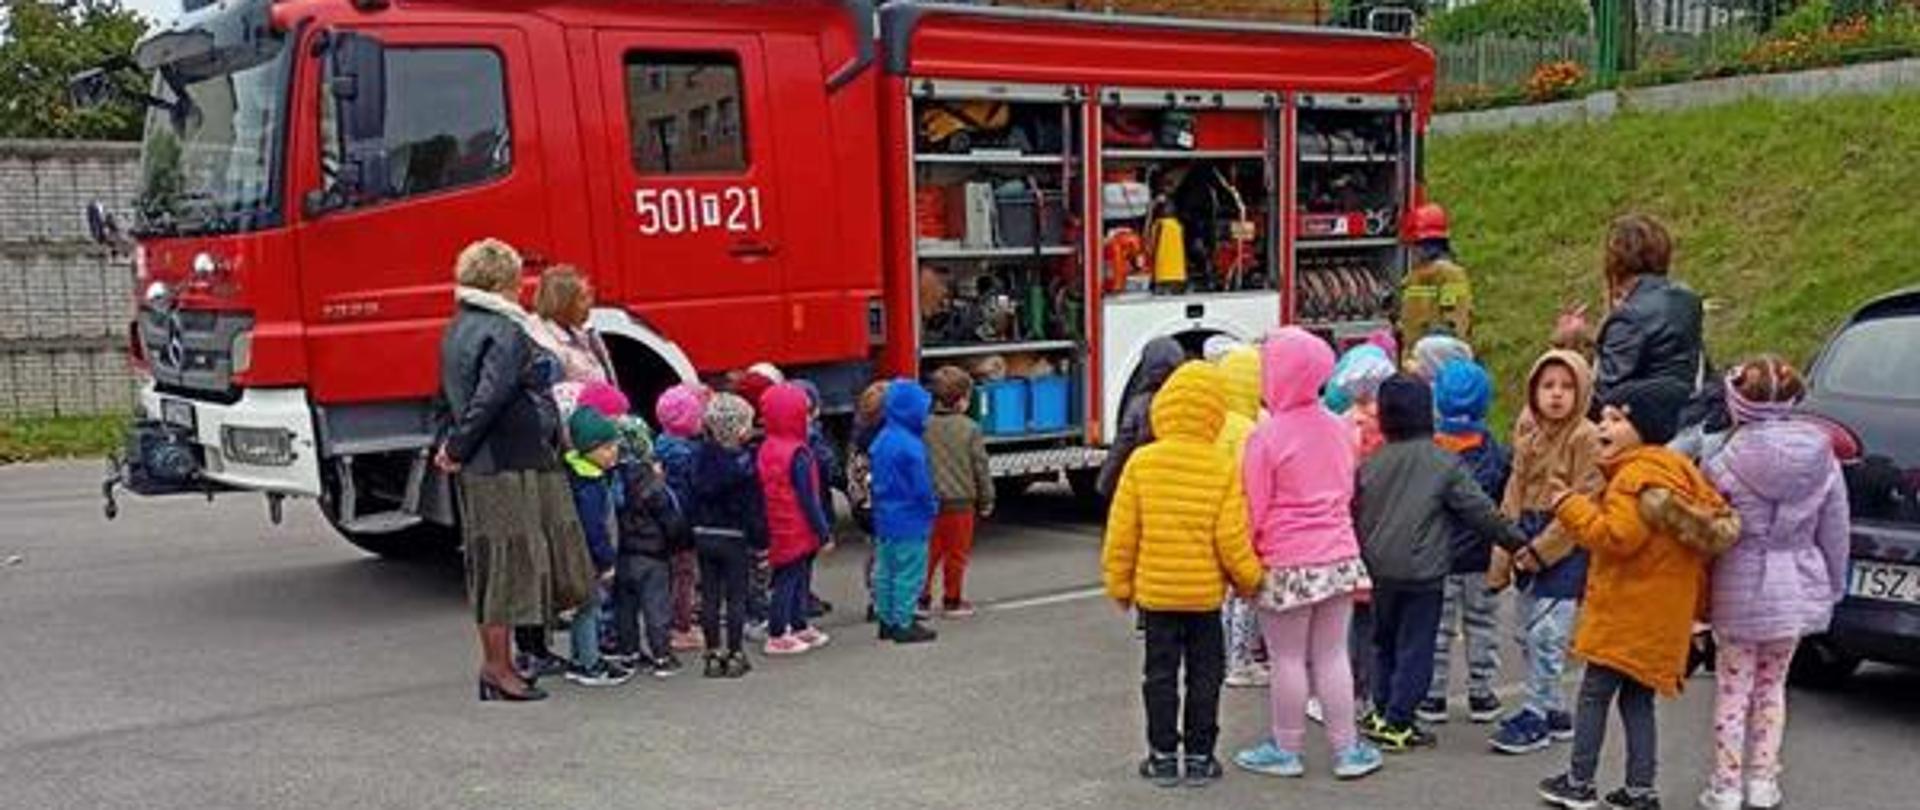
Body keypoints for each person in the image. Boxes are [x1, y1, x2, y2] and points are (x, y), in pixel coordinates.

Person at [1537, 379, 1737, 810]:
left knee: (1594, 694)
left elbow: (1617, 537)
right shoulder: (1679, 472)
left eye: (1616, 419)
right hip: (1659, 616)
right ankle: (1640, 789)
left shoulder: (1634, 478)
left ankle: (1579, 780)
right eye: (1603, 417)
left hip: (1625, 612)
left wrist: (1569, 504)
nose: (1603, 425)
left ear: (1642, 428)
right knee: (1637, 699)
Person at [437, 238, 594, 703]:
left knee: (493, 563)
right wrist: (461, 445)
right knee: (509, 563)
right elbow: (493, 394)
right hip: (509, 460)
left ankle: (504, 665)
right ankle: (498, 669)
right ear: (504, 281)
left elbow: (444, 394)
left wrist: (446, 442)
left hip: (486, 460)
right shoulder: (505, 331)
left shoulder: (458, 327)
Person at [1696, 357, 1850, 810]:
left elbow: (1708, 534)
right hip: (1797, 584)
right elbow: (1836, 528)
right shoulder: (1822, 458)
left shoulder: (1722, 463)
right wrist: (1833, 586)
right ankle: (1763, 782)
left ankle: (1725, 786)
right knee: (1771, 687)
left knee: (1733, 687)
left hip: (1737, 586)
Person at [1231, 328, 1383, 782]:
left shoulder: (1267, 436)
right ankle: (1348, 749)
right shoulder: (1340, 428)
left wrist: (1245, 559)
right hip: (1338, 556)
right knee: (1333, 655)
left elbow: (1253, 505)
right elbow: (1346, 487)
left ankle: (1286, 746)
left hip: (1286, 561)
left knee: (1288, 659)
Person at [1102, 361, 1264, 788]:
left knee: (1159, 675)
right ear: (1215, 413)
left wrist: (1120, 584)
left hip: (1156, 595)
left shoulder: (1141, 462)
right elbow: (1231, 536)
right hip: (1204, 597)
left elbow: (1122, 532)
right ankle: (1198, 755)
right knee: (1205, 675)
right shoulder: (1220, 465)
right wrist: (1250, 580)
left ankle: (1159, 755)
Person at [1355, 374, 1525, 752]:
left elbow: (1357, 510)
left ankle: (1380, 708)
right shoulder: (1442, 462)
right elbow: (1479, 511)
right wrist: (1517, 542)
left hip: (1379, 567)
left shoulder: (1373, 462)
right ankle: (1399, 720)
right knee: (1418, 646)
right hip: (1424, 572)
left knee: (1384, 641)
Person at [1487, 350, 1605, 755]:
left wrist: (1543, 551)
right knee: (1524, 630)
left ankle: (1536, 712)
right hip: (1526, 537)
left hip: (1563, 546)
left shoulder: (1585, 437)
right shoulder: (1530, 437)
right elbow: (1512, 496)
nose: (1556, 395)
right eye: (1547, 386)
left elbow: (1584, 501)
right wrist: (1505, 552)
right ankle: (1554, 708)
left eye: (1567, 386)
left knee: (1548, 634)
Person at [1421, 359, 1510, 726]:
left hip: (1437, 557)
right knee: (1482, 627)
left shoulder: (1430, 452)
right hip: (1481, 556)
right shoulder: (1496, 454)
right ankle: (1482, 693)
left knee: (1437, 629)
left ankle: (1434, 695)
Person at [1583, 215, 1706, 420]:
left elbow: (1601, 395)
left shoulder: (1629, 318)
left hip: (1639, 426)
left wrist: (1568, 349)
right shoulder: (1688, 300)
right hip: (1689, 413)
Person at [609, 412, 692, 680]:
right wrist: (681, 543)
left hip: (622, 553)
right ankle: (661, 655)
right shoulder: (652, 483)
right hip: (652, 555)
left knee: (625, 608)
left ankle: (628, 653)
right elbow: (671, 519)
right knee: (656, 607)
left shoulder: (611, 480)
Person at [689, 393, 765, 678]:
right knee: (735, 596)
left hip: (704, 532)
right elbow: (753, 508)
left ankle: (711, 653)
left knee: (709, 595)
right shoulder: (745, 466)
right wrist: (761, 540)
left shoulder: (699, 458)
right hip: (734, 535)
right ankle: (734, 652)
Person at [561, 407, 637, 687]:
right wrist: (605, 561)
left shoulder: (577, 472)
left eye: (614, 446)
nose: (613, 453)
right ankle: (590, 665)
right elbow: (594, 529)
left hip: (581, 555)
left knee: (583, 606)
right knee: (588, 607)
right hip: (589, 558)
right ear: (589, 449)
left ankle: (579, 658)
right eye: (607, 448)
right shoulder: (589, 485)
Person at [755, 383, 833, 656]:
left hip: (778, 523)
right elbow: (809, 498)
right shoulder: (798, 453)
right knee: (791, 581)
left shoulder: (767, 447)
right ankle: (778, 632)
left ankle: (798, 624)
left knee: (790, 577)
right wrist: (823, 532)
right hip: (798, 526)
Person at [870, 378, 941, 644]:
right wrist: (932, 506)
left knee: (886, 570)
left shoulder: (883, 438)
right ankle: (903, 621)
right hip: (911, 517)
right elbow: (921, 487)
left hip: (885, 515)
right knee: (909, 573)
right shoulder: (912, 446)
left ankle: (887, 620)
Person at [1214, 346, 1268, 689]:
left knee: (1222, 597)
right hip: (1244, 518)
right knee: (1245, 596)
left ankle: (1220, 657)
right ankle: (1240, 661)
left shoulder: (1216, 422)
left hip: (1215, 516)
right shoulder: (1251, 429)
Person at [922, 367, 995, 618]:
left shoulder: (923, 425)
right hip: (961, 503)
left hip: (929, 501)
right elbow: (980, 467)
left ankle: (921, 598)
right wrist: (986, 499)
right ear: (963, 400)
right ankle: (952, 599)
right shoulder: (971, 429)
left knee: (929, 552)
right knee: (956, 554)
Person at [653, 383, 709, 653]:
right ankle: (681, 627)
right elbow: (697, 490)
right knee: (685, 575)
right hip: (684, 524)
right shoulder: (690, 455)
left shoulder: (660, 445)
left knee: (668, 574)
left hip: (664, 523)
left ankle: (667, 623)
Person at [1096, 336, 1187, 499]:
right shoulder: (1193, 398)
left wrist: (1105, 484)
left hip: (1150, 486)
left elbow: (1122, 446)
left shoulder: (1140, 405)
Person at [530, 265, 616, 418]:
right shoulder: (547, 349)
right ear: (563, 303)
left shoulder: (579, 329)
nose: (590, 303)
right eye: (582, 298)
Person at [1397, 203, 1473, 343]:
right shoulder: (1417, 276)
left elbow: (1455, 321)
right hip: (1415, 357)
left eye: (1414, 246)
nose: (1412, 252)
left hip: (1435, 356)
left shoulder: (1450, 275)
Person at [847, 380, 890, 623]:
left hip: (863, 505)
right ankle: (883, 601)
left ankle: (875, 597)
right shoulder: (884, 442)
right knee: (888, 555)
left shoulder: (858, 438)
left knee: (874, 551)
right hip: (882, 506)